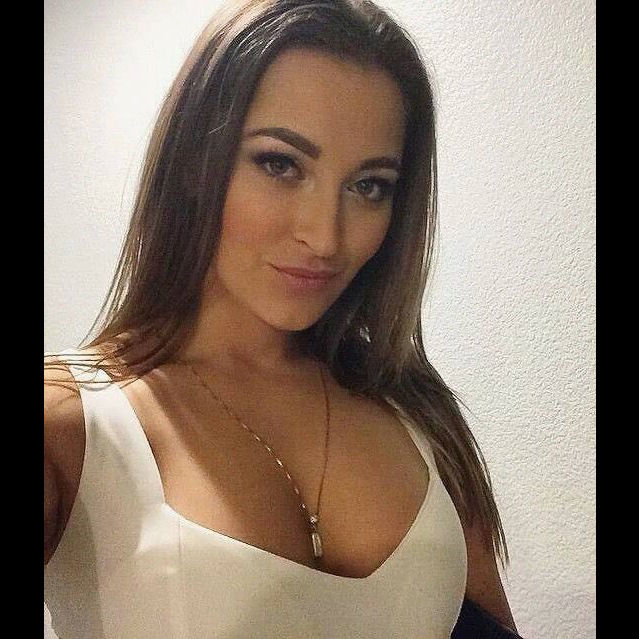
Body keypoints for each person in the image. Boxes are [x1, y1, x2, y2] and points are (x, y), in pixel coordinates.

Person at [44, 0, 523, 637]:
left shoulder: (417, 408)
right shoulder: (71, 424)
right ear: (192, 165)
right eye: (280, 164)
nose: (325, 238)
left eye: (370, 186)